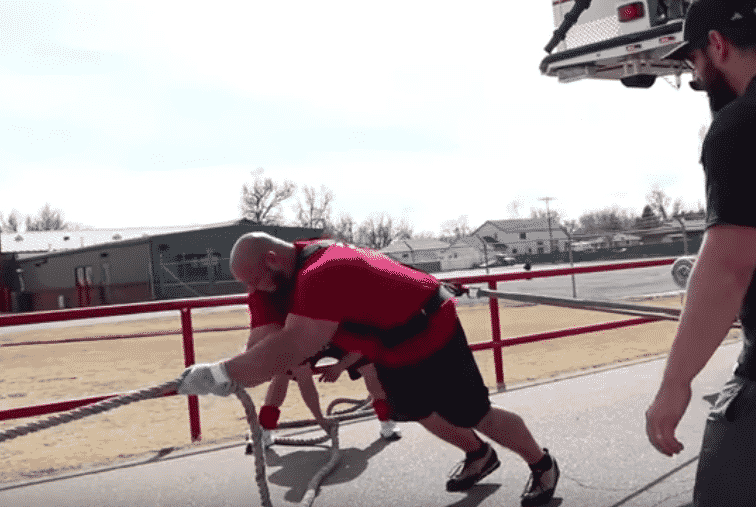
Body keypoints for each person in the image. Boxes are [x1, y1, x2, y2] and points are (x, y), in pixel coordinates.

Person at [177, 232, 559, 506]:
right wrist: (226, 374)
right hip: (385, 344)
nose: (254, 290)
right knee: (416, 410)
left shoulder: (324, 270)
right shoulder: (268, 284)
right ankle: (480, 455)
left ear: (273, 259)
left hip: (428, 327)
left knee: (471, 412)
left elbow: (297, 343)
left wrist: (224, 373)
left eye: (255, 280)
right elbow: (261, 343)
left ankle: (541, 464)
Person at [647, 1, 756, 505]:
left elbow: (729, 266)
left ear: (717, 44)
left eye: (693, 62)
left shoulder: (740, 125)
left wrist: (675, 384)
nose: (695, 77)